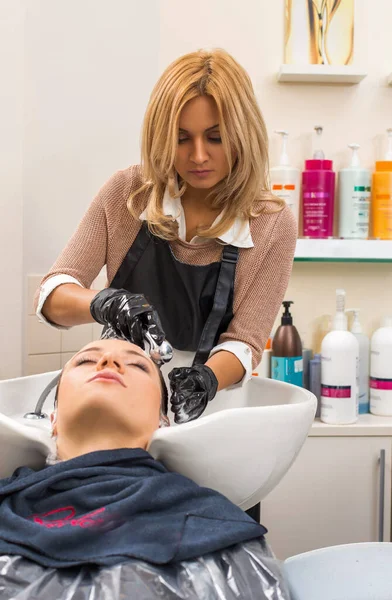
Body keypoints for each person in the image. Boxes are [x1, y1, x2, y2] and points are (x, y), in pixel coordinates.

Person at [34, 48, 297, 430]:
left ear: (243, 134)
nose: (199, 156)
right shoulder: (128, 194)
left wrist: (205, 380)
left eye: (216, 137)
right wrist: (104, 303)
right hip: (119, 404)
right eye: (181, 138)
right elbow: (52, 295)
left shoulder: (272, 223)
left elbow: (245, 343)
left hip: (212, 415)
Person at [0, 339, 268, 570]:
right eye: (85, 361)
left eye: (138, 365)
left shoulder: (212, 526)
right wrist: (100, 302)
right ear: (53, 419)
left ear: (163, 422)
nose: (108, 360)